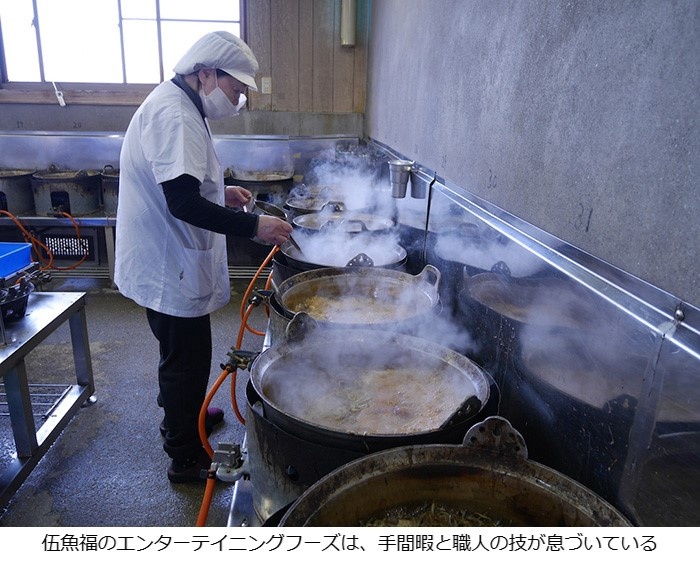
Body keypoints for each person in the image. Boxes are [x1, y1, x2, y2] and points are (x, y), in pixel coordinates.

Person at [114, 31, 292, 483]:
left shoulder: (182, 103)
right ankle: (184, 455)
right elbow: (183, 204)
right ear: (206, 74)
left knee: (182, 351)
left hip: (166, 256)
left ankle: (187, 414)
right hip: (166, 262)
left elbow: (186, 185)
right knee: (185, 359)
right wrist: (256, 227)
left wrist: (222, 192)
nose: (240, 100)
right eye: (237, 89)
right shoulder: (175, 113)